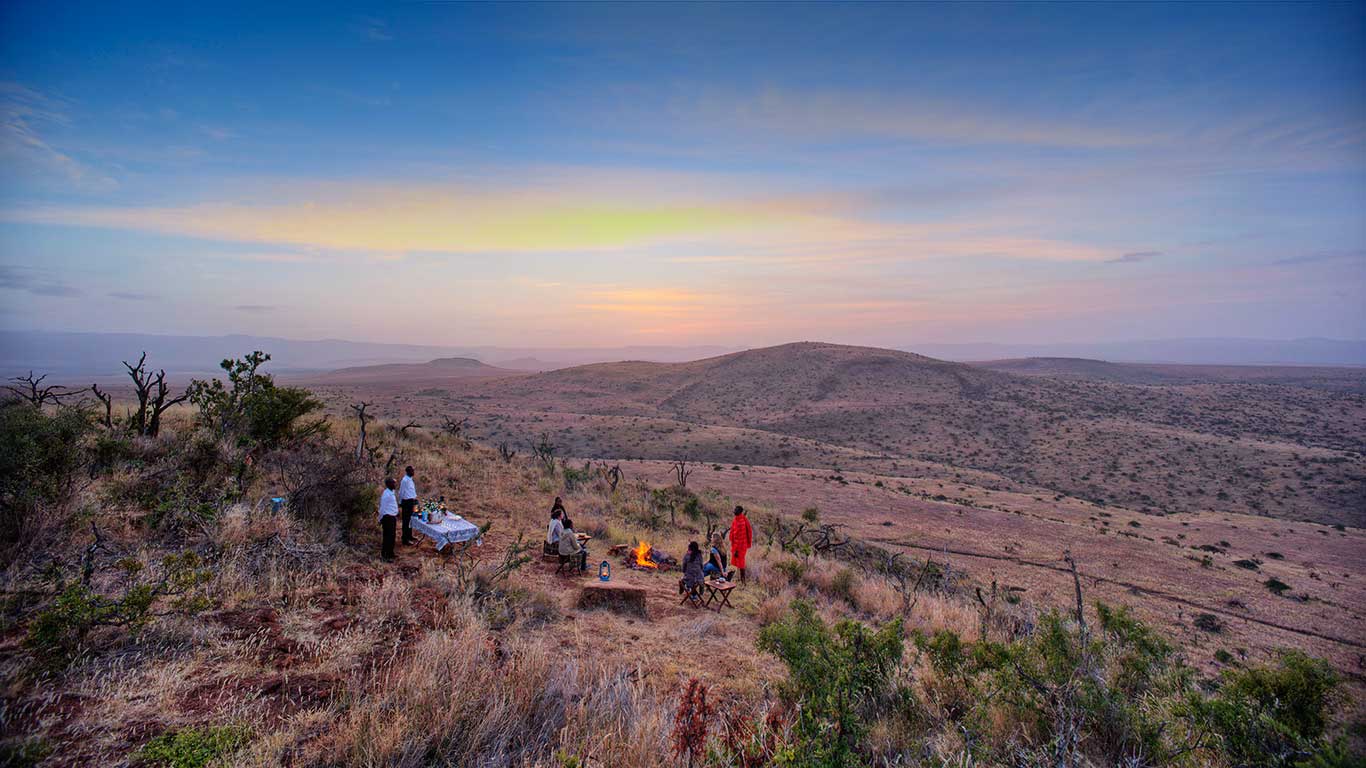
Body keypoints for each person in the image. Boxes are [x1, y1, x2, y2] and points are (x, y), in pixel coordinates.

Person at [730, 505, 753, 583]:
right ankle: (737, 579)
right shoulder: (736, 519)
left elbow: (740, 537)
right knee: (736, 562)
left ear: (740, 512)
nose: (734, 511)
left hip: (741, 546)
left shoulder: (741, 522)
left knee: (741, 563)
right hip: (737, 545)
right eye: (734, 509)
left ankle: (743, 581)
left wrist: (736, 550)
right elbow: (733, 532)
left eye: (736, 510)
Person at [378, 478, 399, 561]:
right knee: (387, 537)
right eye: (393, 483)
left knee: (392, 536)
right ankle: (385, 556)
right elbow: (382, 508)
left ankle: (390, 553)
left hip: (392, 517)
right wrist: (380, 519)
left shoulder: (391, 492)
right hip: (387, 518)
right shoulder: (386, 494)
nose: (395, 484)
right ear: (389, 484)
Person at [399, 465, 418, 545]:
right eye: (412, 471)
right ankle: (405, 539)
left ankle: (410, 536)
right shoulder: (405, 480)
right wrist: (400, 502)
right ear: (408, 472)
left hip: (411, 501)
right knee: (406, 521)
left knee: (411, 520)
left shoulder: (410, 479)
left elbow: (411, 491)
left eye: (413, 470)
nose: (413, 472)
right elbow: (401, 492)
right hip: (406, 502)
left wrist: (415, 499)